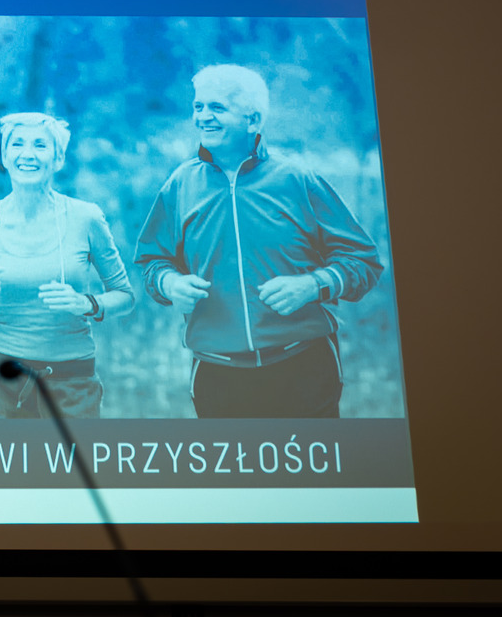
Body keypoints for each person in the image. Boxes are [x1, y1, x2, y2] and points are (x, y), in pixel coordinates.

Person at [134, 64, 383, 418]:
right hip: (216, 373)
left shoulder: (296, 179)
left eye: (217, 107)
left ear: (252, 120)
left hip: (304, 364)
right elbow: (151, 262)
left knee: (313, 459)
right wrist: (170, 283)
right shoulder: (180, 184)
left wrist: (313, 285)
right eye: (198, 106)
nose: (203, 116)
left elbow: (363, 260)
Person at [0, 112, 135, 418]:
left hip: (72, 384)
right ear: (5, 157)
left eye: (40, 145)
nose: (28, 154)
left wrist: (87, 303)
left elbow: (125, 296)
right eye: (18, 144)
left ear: (58, 159)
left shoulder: (86, 218)